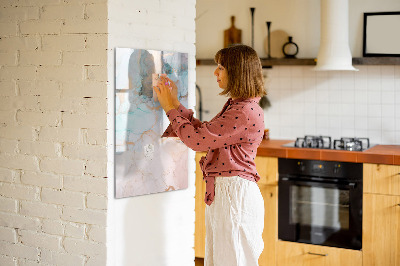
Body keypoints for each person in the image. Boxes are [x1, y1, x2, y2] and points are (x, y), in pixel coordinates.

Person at [153, 44, 266, 266]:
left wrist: (169, 108)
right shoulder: (239, 106)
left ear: (237, 71)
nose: (215, 72)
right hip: (228, 193)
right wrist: (175, 103)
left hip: (234, 195)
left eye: (221, 67)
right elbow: (205, 133)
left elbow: (197, 141)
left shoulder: (243, 111)